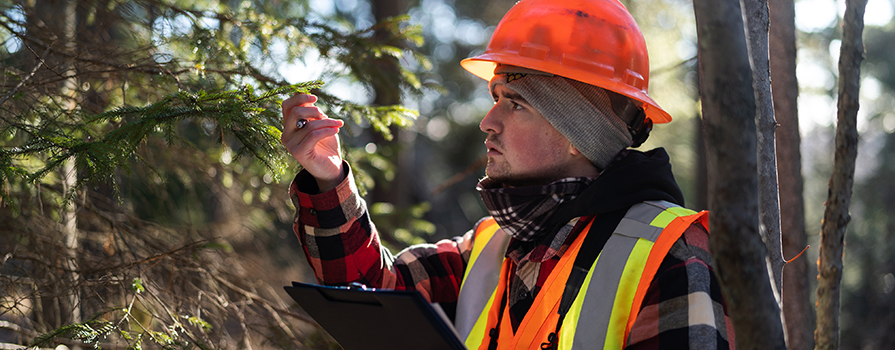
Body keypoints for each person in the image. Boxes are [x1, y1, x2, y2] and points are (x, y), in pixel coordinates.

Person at [280, 0, 735, 348]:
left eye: (515, 103)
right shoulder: (491, 247)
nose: (488, 121)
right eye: (494, 96)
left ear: (578, 131)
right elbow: (374, 293)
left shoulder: (670, 252)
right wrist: (329, 178)